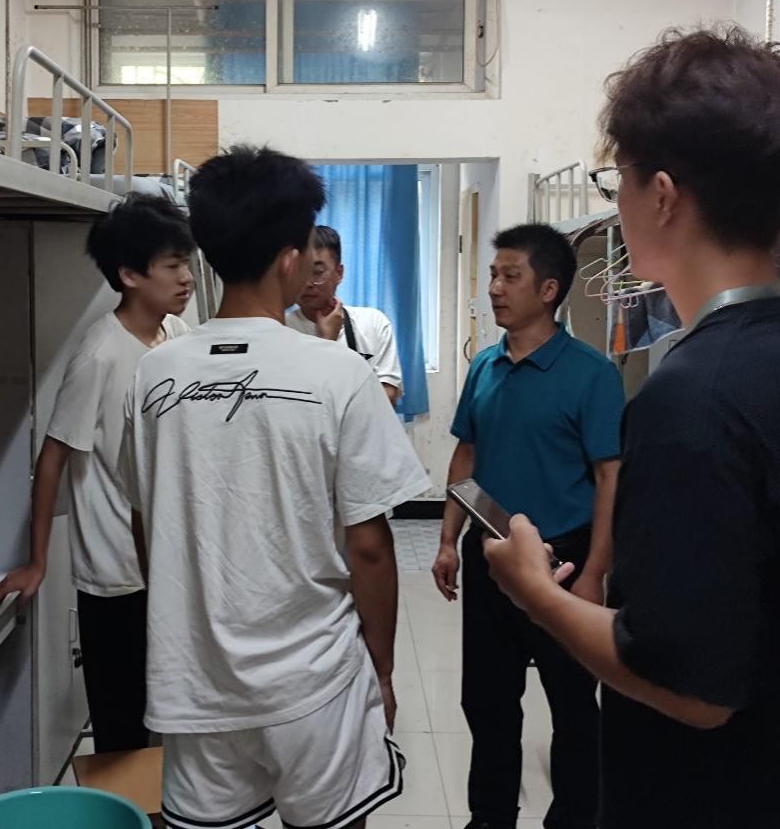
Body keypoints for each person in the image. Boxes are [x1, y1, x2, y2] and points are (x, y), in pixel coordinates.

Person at [484, 27, 780, 829]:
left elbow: (692, 688)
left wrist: (535, 592)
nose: (617, 199)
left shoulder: (693, 398)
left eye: (619, 177)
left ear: (663, 196)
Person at [120, 146, 430, 829]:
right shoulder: (337, 374)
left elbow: (147, 519)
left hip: (193, 684)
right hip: (313, 682)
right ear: (290, 258)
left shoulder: (154, 373)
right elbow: (370, 546)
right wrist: (380, 671)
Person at [0, 192, 196, 753]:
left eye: (187, 263)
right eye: (172, 265)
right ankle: (123, 800)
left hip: (169, 564)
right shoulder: (100, 352)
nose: (187, 278)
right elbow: (54, 455)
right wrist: (38, 561)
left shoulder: (176, 337)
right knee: (121, 727)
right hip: (116, 573)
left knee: (170, 715)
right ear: (129, 275)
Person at [431, 223, 623, 829]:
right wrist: (447, 540)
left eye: (509, 276)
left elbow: (611, 477)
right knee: (487, 702)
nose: (494, 288)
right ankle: (490, 817)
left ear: (548, 290)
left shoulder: (592, 374)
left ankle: (575, 819)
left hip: (563, 560)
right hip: (490, 553)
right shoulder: (485, 367)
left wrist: (594, 573)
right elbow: (466, 456)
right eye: (493, 274)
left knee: (573, 705)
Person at [287, 225, 404, 406]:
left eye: (317, 272)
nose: (308, 283)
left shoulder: (373, 323)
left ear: (339, 273)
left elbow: (388, 397)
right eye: (300, 272)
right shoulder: (280, 329)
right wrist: (327, 342)